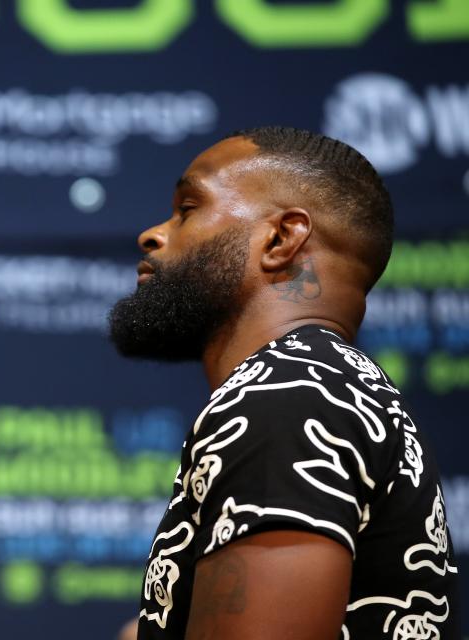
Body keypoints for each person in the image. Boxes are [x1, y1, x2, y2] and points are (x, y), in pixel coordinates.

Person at [108, 126, 459, 639]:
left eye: (188, 207)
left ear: (280, 239)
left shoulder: (285, 399)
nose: (153, 234)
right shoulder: (330, 385)